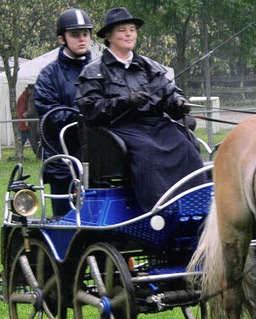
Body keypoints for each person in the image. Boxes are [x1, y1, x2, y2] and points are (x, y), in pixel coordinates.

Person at [76, 7, 207, 212]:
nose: (129, 34)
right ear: (108, 36)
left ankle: (199, 204)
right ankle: (160, 210)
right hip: (121, 129)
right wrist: (125, 102)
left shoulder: (151, 67)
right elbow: (90, 110)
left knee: (187, 146)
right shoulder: (94, 71)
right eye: (122, 30)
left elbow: (170, 93)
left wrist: (179, 102)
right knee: (149, 153)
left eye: (132, 29)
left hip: (157, 125)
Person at [34, 8, 94, 216]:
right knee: (66, 224)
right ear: (62, 39)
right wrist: (83, 113)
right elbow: (51, 117)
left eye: (85, 34)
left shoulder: (100, 70)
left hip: (98, 160)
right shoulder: (48, 76)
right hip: (63, 162)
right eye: (75, 35)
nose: (82, 39)